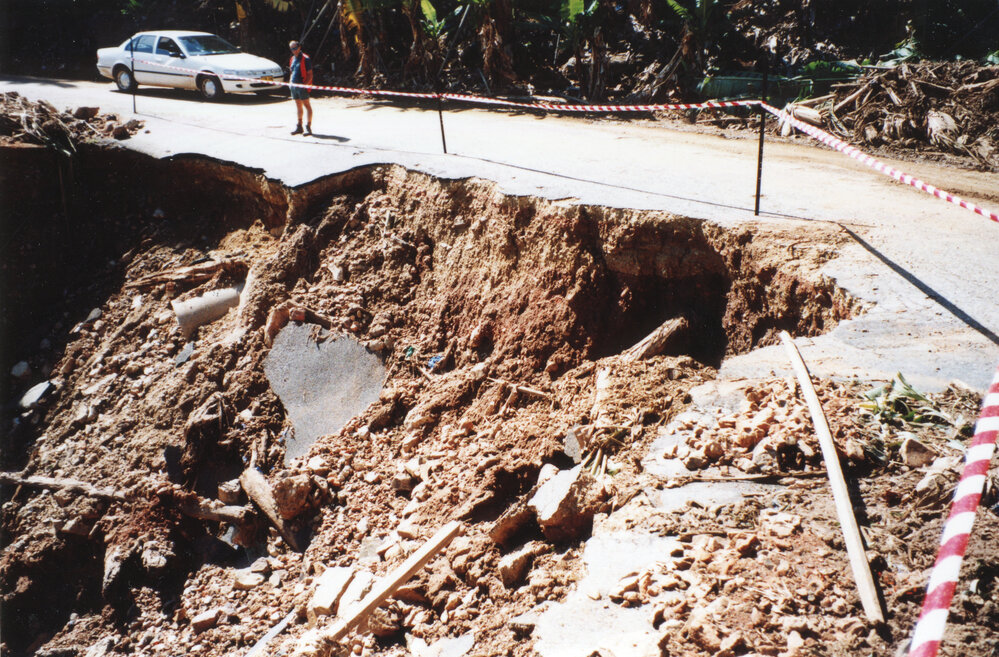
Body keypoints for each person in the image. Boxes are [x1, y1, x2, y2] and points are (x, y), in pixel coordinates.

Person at [288, 40, 313, 135]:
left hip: (302, 86)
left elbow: (310, 74)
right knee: (298, 106)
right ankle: (299, 126)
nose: (293, 50)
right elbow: (292, 72)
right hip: (294, 86)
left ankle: (308, 127)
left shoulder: (305, 59)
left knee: (307, 105)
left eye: (295, 48)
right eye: (291, 49)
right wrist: (290, 83)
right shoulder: (292, 59)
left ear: (299, 47)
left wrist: (305, 85)